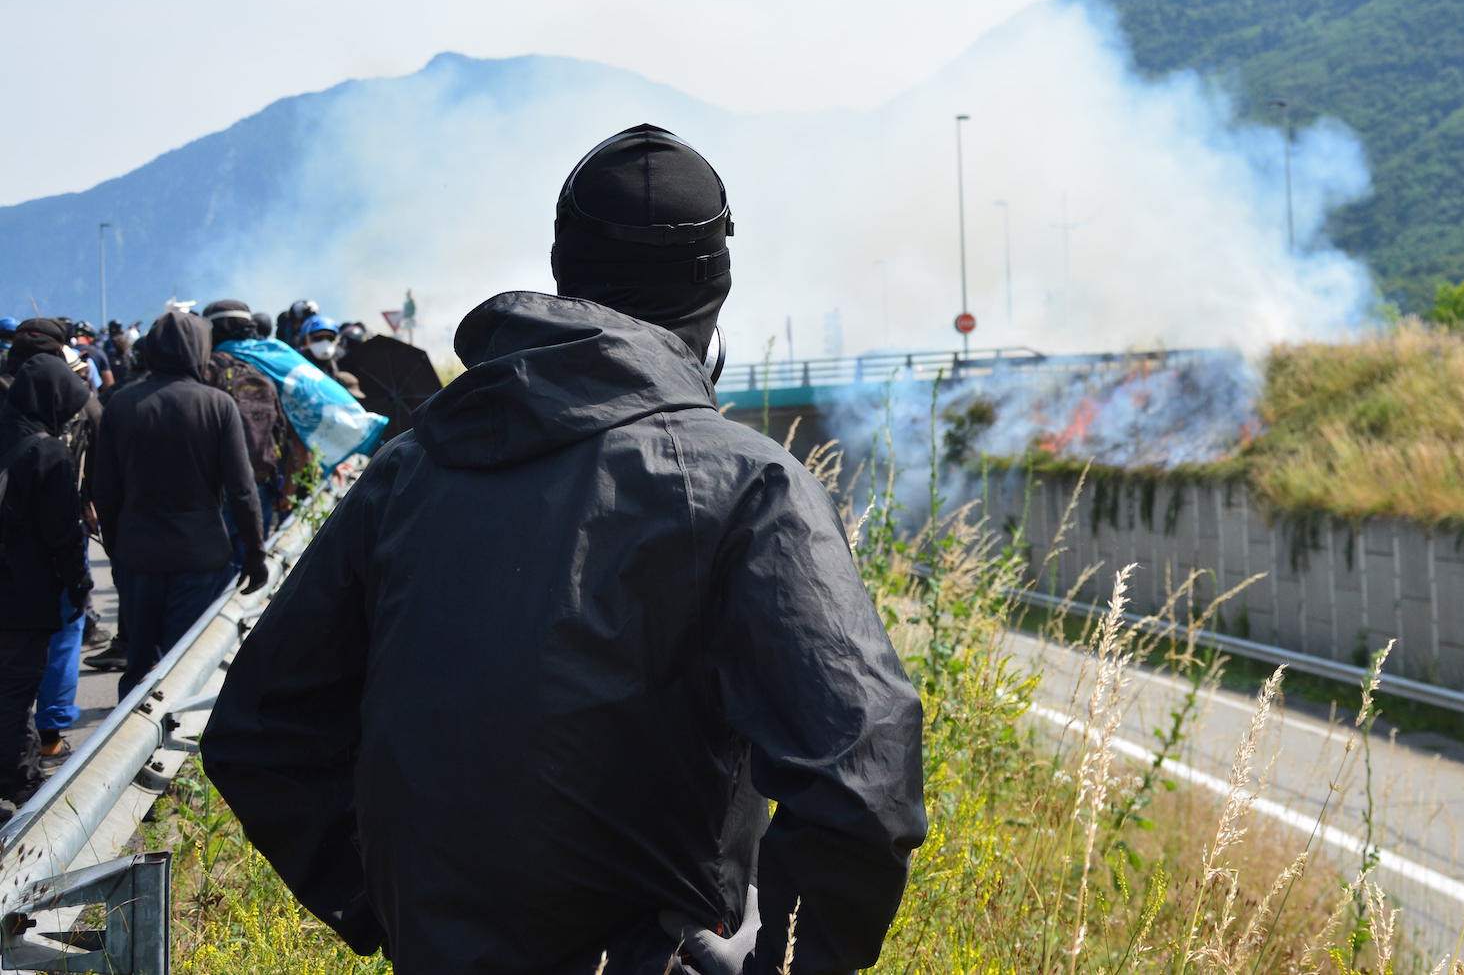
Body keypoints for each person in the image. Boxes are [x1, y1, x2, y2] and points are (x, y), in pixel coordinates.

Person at [205, 124, 927, 975]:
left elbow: (258, 733)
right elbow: (863, 782)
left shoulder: (409, 470)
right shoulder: (752, 486)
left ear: (563, 275)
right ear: (714, 304)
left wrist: (387, 904)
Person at [92, 309, 267, 696]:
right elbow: (242, 490)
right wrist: (255, 554)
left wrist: (116, 544)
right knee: (185, 667)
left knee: (138, 663)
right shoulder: (218, 405)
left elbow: (103, 488)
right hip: (201, 554)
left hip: (138, 553)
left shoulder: (121, 404)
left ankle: (129, 744)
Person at [0, 357, 93, 815]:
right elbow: (64, 537)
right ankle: (19, 780)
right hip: (23, 596)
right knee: (16, 690)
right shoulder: (49, 454)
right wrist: (79, 587)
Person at [202, 300, 300, 536]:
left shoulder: (206, 370)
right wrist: (288, 489)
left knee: (224, 568)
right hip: (261, 483)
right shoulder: (271, 364)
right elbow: (293, 431)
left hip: (217, 489)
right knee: (256, 557)